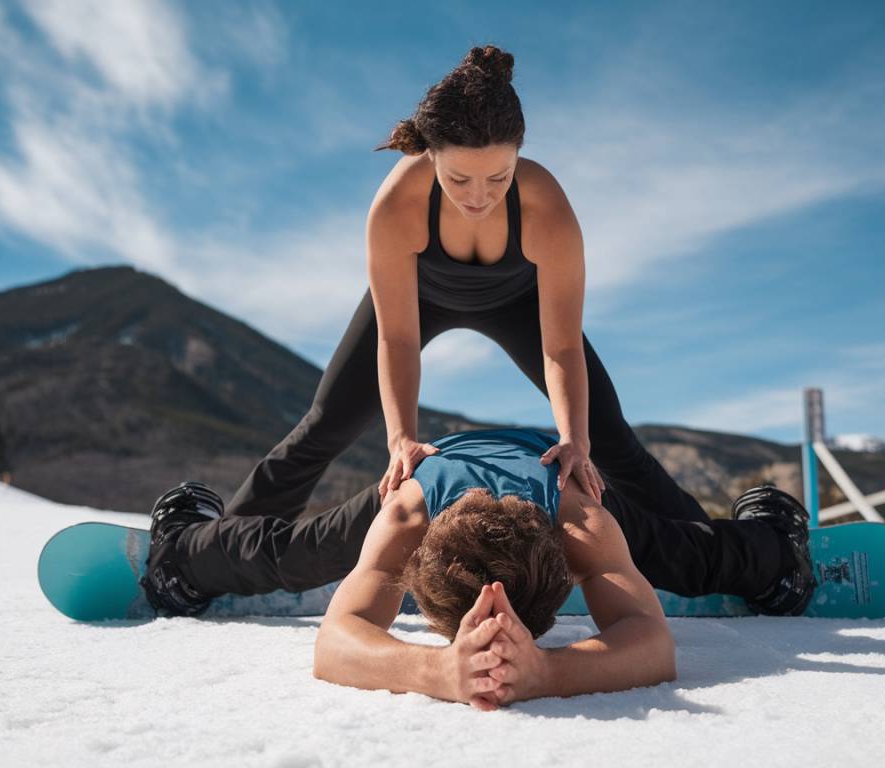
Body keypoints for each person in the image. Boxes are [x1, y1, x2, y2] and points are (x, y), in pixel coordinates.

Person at [224, 44, 701, 536]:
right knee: (326, 424)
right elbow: (399, 340)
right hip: (418, 298)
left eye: (499, 176)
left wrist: (574, 439)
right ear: (430, 155)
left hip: (520, 303)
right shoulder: (396, 207)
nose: (480, 197)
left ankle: (711, 549)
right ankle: (217, 545)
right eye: (458, 178)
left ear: (519, 153)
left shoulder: (547, 209)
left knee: (608, 440)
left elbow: (561, 345)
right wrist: (401, 439)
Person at [140, 428, 816, 708]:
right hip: (433, 460)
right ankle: (182, 552)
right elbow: (333, 637)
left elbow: (655, 642)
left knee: (686, 558)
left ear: (564, 563)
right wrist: (438, 668)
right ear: (417, 557)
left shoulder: (578, 520)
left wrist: (548, 669)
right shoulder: (406, 515)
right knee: (299, 553)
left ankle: (775, 545)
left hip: (555, 463)